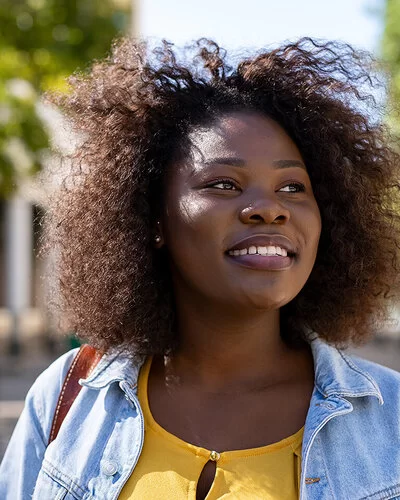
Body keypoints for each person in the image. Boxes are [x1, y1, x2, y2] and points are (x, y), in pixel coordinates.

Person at [1, 37, 400, 500]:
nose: (269, 210)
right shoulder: (68, 398)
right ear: (153, 221)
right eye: (224, 183)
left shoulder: (390, 418)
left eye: (292, 187)